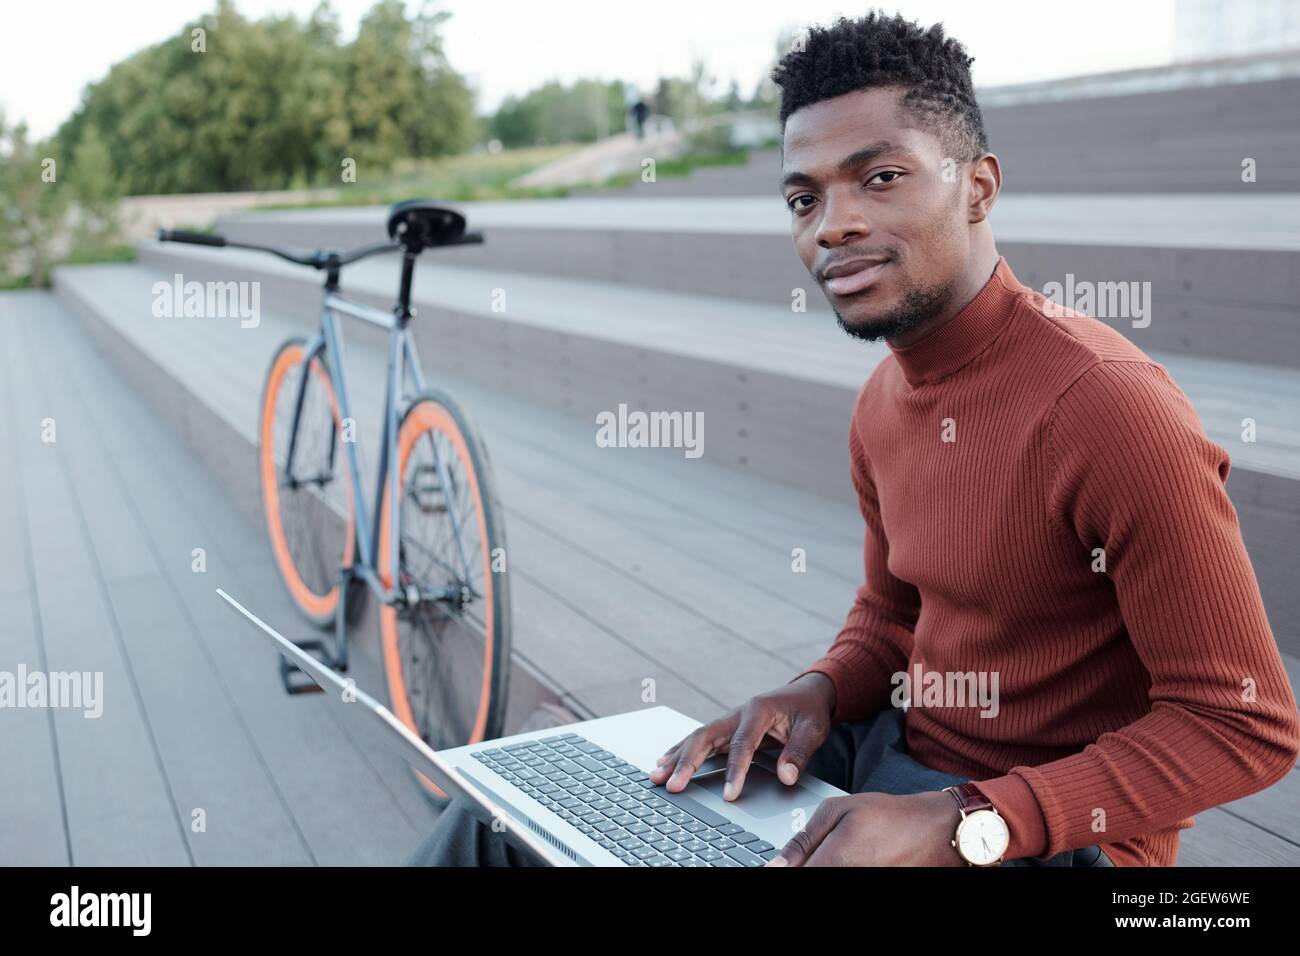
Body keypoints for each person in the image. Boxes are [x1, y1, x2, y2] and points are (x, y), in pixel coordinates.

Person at [409, 11, 1300, 868]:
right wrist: (817, 693)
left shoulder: (1110, 408)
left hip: (1050, 839)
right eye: (805, 196)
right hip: (889, 770)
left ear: (979, 186)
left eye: (879, 177)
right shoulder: (883, 399)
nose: (830, 224)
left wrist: (965, 824)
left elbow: (1243, 725)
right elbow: (892, 617)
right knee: (498, 827)